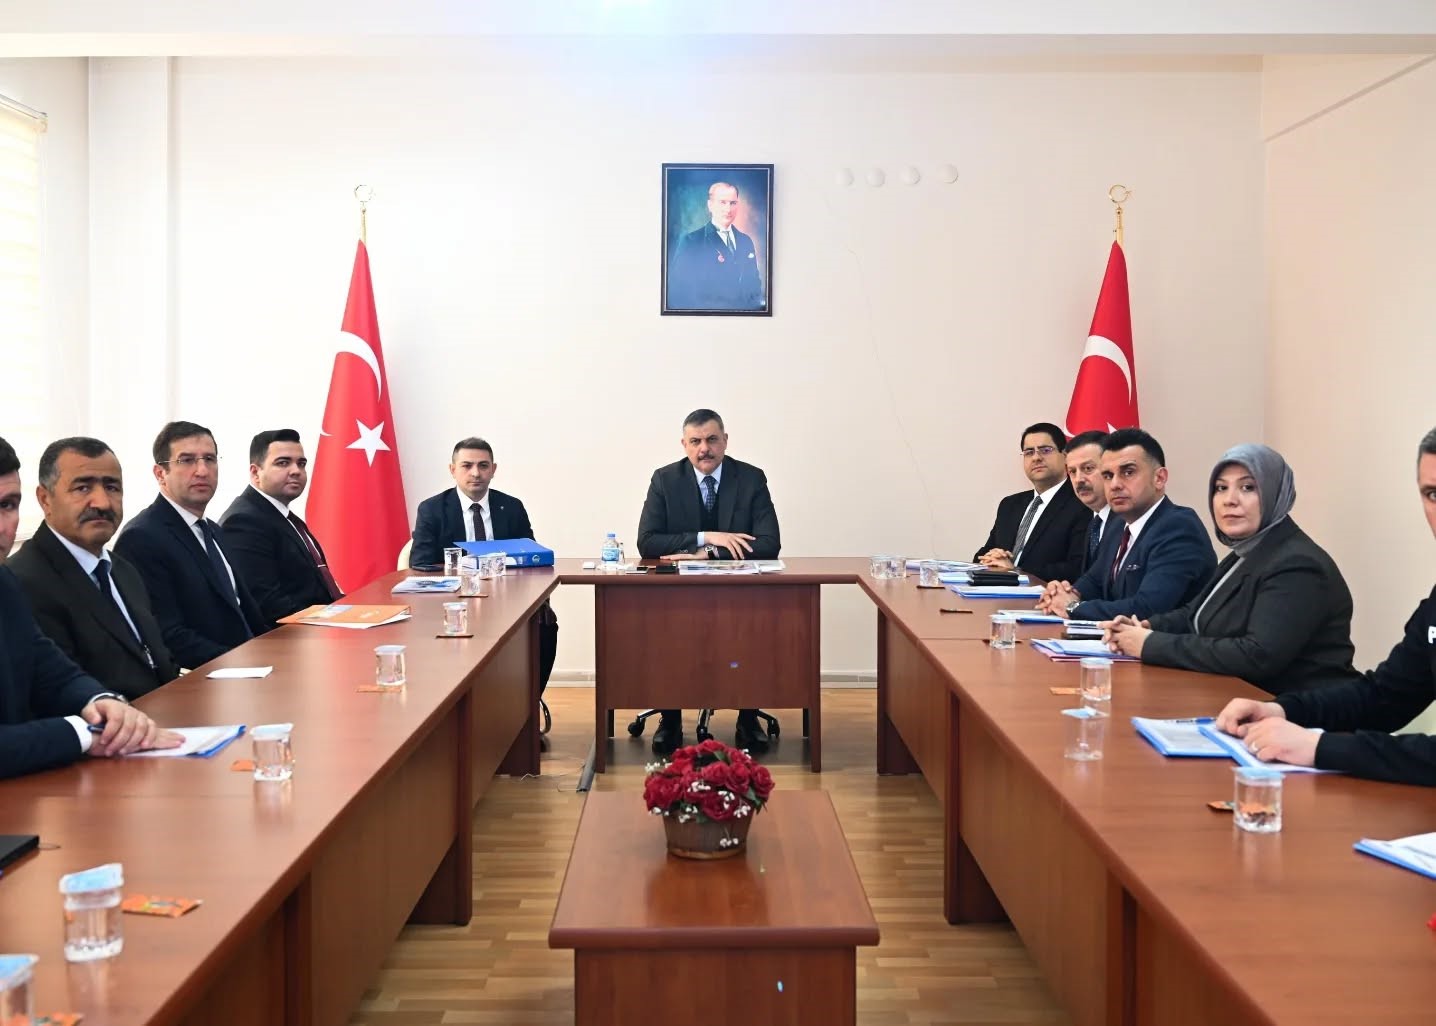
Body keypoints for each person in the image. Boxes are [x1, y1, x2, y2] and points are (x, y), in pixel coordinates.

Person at [1213, 428, 1436, 784]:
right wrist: (1280, 710)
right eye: (1432, 494)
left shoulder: (1297, 561)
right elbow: (1383, 698)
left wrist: (1320, 747)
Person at [1104, 444, 1357, 695]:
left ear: (1275, 493)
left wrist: (1150, 644)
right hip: (1237, 699)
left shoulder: (1297, 564)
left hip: (1295, 711)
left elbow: (1257, 655)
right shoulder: (1247, 552)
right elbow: (1195, 613)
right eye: (1221, 488)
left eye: (1247, 488)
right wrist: (1146, 626)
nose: (1230, 500)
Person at [0, 436, 180, 778]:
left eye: (8, 505)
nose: (2, 526)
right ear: (45, 500)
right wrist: (84, 732)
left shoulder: (3, 584)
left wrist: (102, 703)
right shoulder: (24, 577)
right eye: (82, 487)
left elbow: (51, 671)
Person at [637, 408, 781, 754]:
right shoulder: (665, 480)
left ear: (725, 441)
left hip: (739, 593)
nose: (705, 449)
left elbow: (769, 543)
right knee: (667, 636)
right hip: (679, 595)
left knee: (750, 636)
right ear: (684, 445)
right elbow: (648, 542)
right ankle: (670, 719)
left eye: (712, 440)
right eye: (696, 441)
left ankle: (748, 719)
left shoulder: (750, 479)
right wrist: (707, 536)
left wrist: (710, 554)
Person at [409, 437, 558, 700]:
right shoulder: (433, 509)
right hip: (453, 602)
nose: (475, 473)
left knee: (545, 624)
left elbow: (530, 557)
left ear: (493, 469)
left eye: (483, 465)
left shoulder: (511, 507)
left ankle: (527, 703)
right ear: (452, 469)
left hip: (507, 598)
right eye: (467, 466)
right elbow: (421, 563)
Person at [115, 421, 269, 669]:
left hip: (252, 665)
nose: (202, 471)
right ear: (160, 474)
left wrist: (274, 653)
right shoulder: (142, 537)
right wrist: (244, 662)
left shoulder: (214, 531)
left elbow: (244, 613)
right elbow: (168, 635)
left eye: (209, 459)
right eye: (186, 460)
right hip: (209, 676)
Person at [1037, 428, 1215, 620]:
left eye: (1128, 472)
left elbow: (1146, 608)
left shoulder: (1178, 528)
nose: (1114, 485)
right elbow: (1094, 580)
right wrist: (1066, 593)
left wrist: (1073, 607)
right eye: (1107, 475)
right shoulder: (1118, 524)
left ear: (1159, 478)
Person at [219, 429, 343, 623]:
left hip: (322, 626)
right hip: (292, 636)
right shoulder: (243, 521)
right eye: (283, 463)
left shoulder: (284, 517)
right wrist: (332, 623)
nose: (296, 471)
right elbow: (268, 605)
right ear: (255, 472)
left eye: (301, 464)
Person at [974, 422, 1090, 583]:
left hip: (1043, 594)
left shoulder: (1082, 504)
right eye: (1029, 452)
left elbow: (1076, 568)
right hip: (996, 591)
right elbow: (982, 554)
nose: (1036, 458)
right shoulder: (1010, 505)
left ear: (1065, 455)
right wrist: (991, 558)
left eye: (1045, 450)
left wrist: (1015, 571)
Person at [667, 181, 764, 311]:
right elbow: (678, 291)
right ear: (710, 205)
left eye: (733, 203)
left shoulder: (746, 241)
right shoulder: (691, 241)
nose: (728, 209)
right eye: (722, 202)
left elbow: (754, 285)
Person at [1063, 430, 1117, 574]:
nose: (1078, 479)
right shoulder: (1092, 522)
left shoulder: (1128, 521)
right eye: (1072, 471)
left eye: (1088, 468)